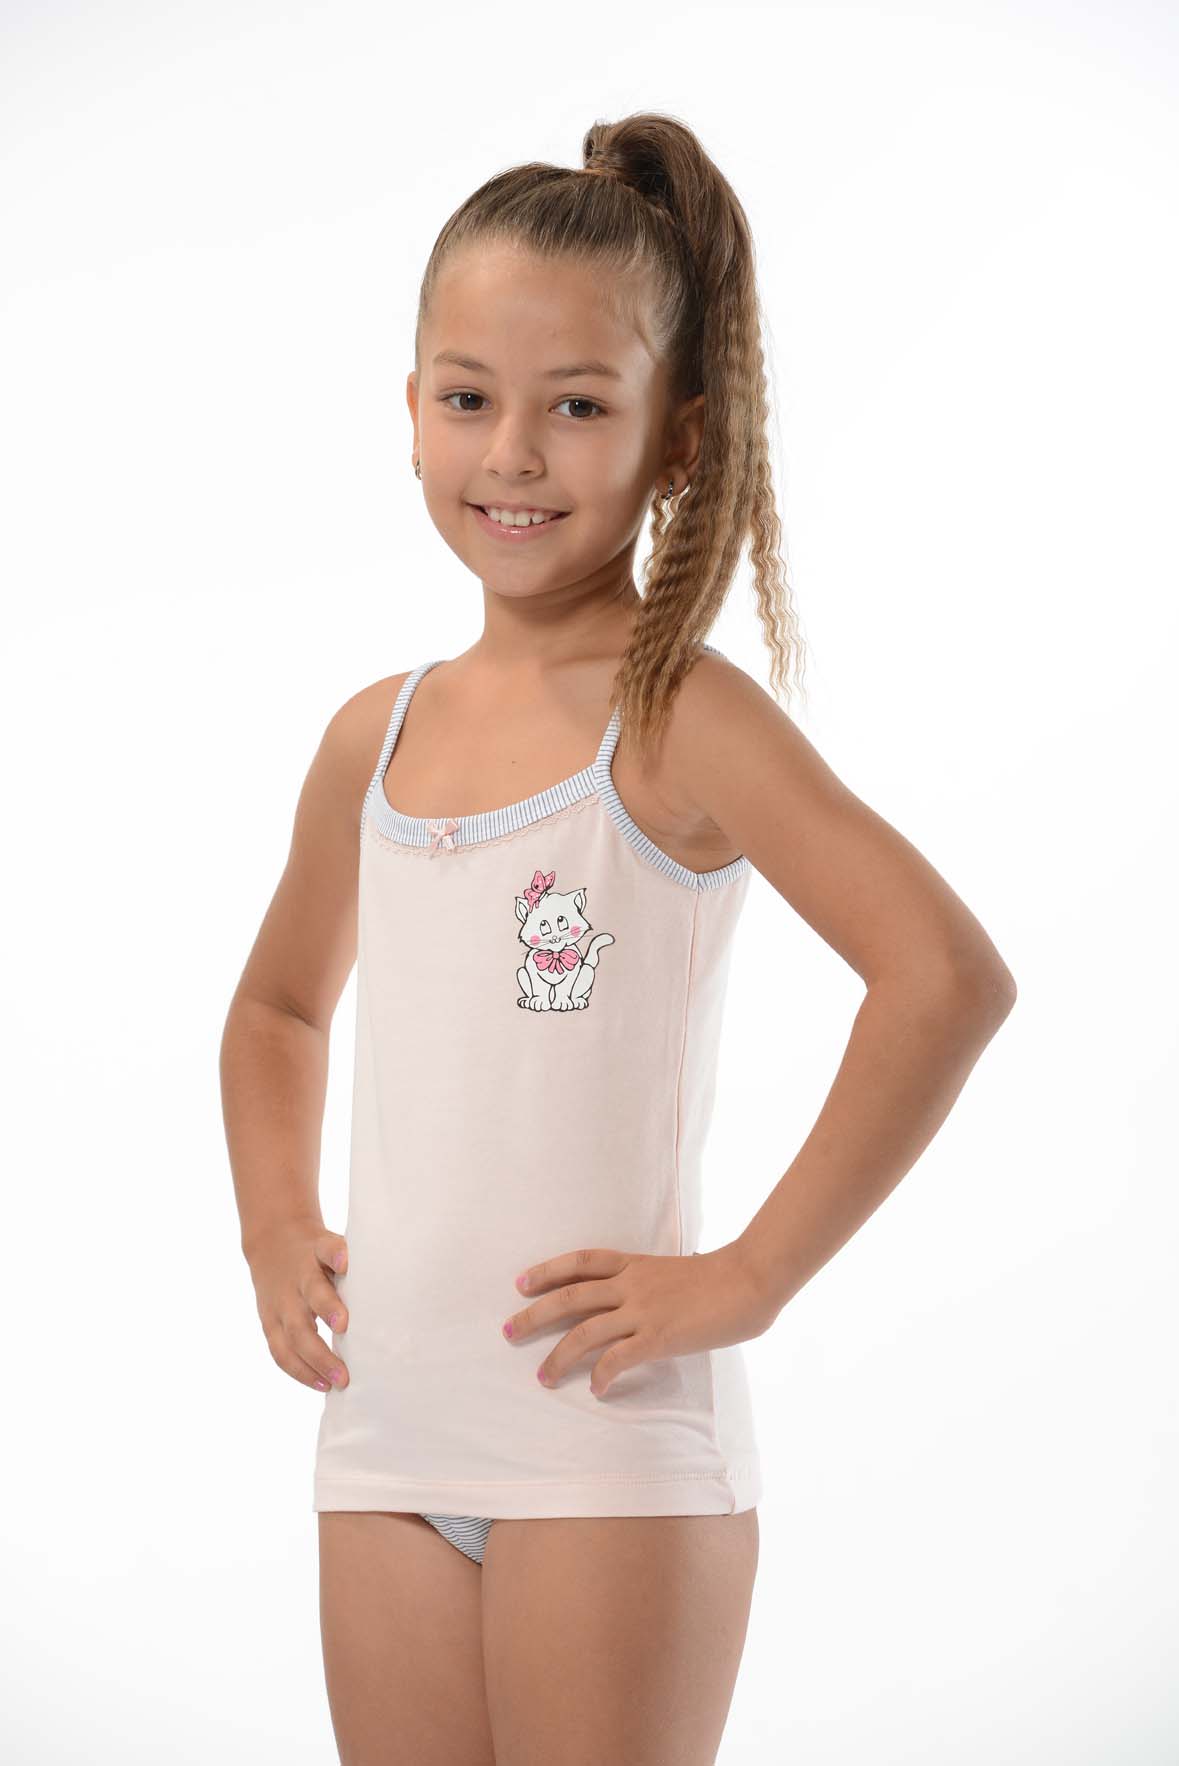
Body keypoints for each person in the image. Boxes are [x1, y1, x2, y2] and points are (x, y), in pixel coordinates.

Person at [220, 111, 1017, 1766]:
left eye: (578, 406)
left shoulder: (677, 719)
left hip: (606, 1452)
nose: (514, 452)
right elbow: (280, 1007)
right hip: (386, 1438)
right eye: (469, 399)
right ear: (412, 410)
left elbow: (943, 975)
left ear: (676, 440)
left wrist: (750, 1275)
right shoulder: (372, 735)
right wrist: (274, 1220)